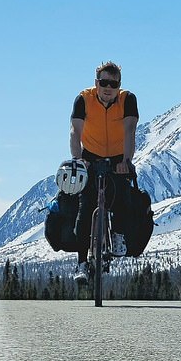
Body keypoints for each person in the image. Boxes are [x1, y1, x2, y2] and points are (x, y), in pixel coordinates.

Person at [69, 61, 139, 282]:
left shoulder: (128, 100)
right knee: (85, 205)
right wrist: (78, 161)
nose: (108, 88)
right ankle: (81, 263)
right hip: (90, 156)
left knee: (123, 195)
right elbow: (74, 131)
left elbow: (129, 131)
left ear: (119, 85)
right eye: (104, 82)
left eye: (113, 83)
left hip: (119, 156)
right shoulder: (83, 99)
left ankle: (118, 234)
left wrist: (126, 161)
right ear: (96, 83)